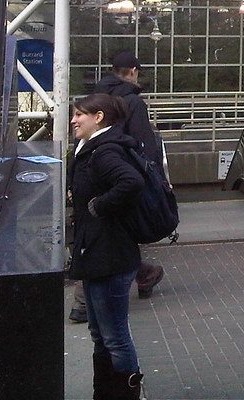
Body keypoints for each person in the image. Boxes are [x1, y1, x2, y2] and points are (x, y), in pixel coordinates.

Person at [71, 52, 165, 323]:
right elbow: (142, 141)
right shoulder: (132, 101)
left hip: (89, 170)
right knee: (103, 235)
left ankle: (142, 275)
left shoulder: (95, 96)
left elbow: (79, 136)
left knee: (100, 233)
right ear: (134, 71)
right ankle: (84, 302)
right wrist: (154, 176)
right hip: (117, 172)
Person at [68, 94, 147, 400]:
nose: (74, 120)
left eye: (79, 115)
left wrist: (99, 205)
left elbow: (131, 182)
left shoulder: (105, 151)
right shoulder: (94, 149)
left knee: (114, 337)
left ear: (98, 117)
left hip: (109, 254)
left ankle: (125, 395)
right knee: (100, 334)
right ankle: (105, 393)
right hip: (97, 252)